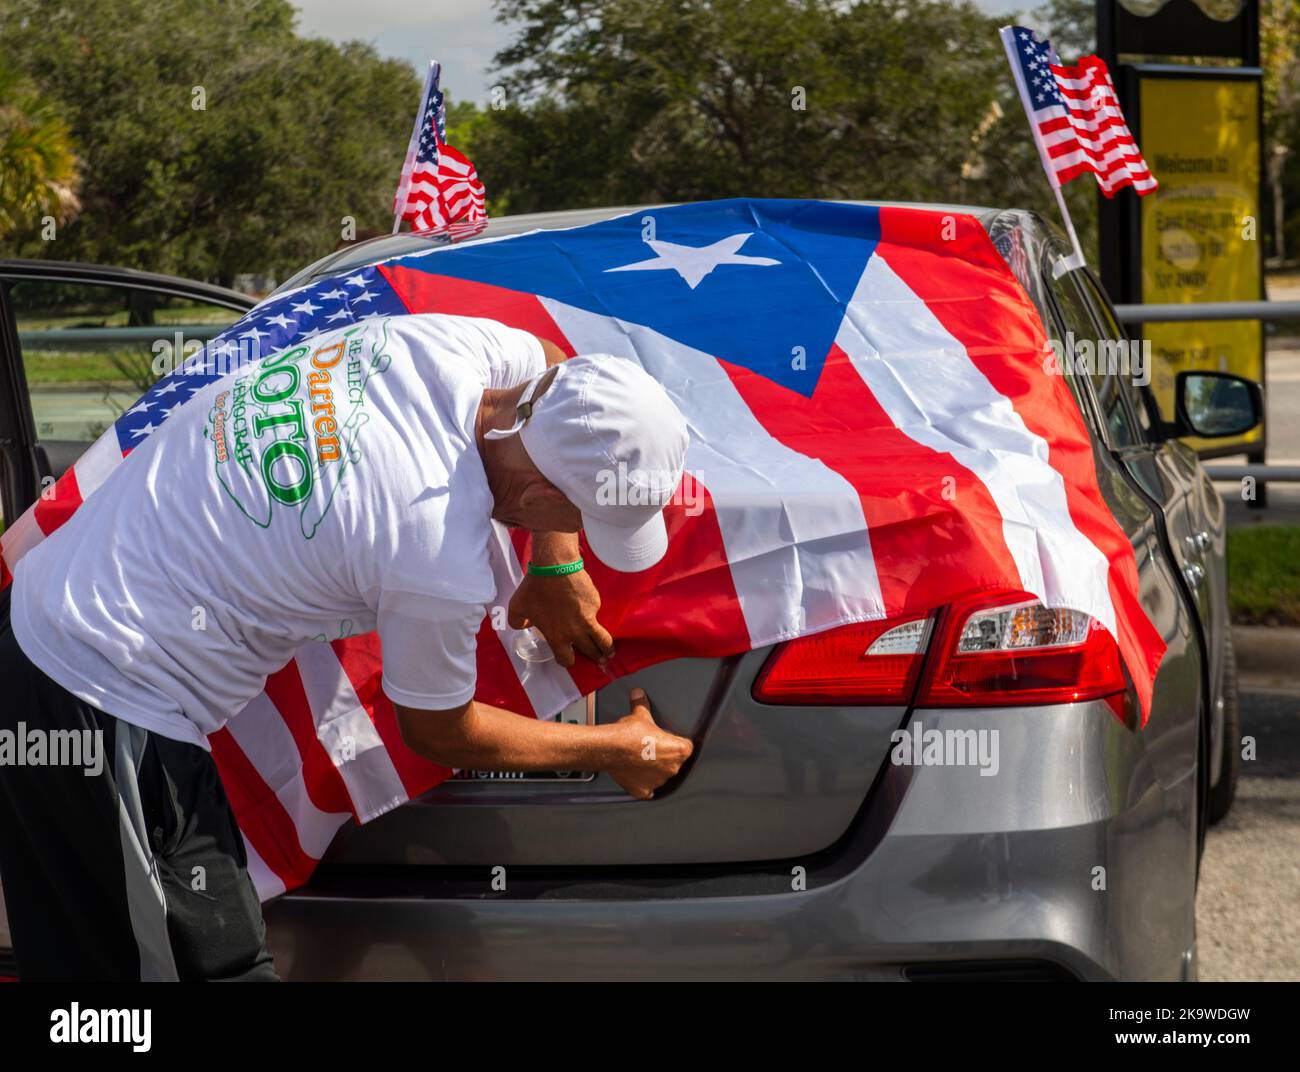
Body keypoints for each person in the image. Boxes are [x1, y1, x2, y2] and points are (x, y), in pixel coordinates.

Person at [0, 312, 693, 981]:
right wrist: (615, 748)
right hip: (99, 690)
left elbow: (547, 358)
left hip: (53, 622)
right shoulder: (433, 548)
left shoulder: (446, 346)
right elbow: (438, 730)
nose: (584, 533)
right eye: (584, 519)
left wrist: (556, 559)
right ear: (540, 489)